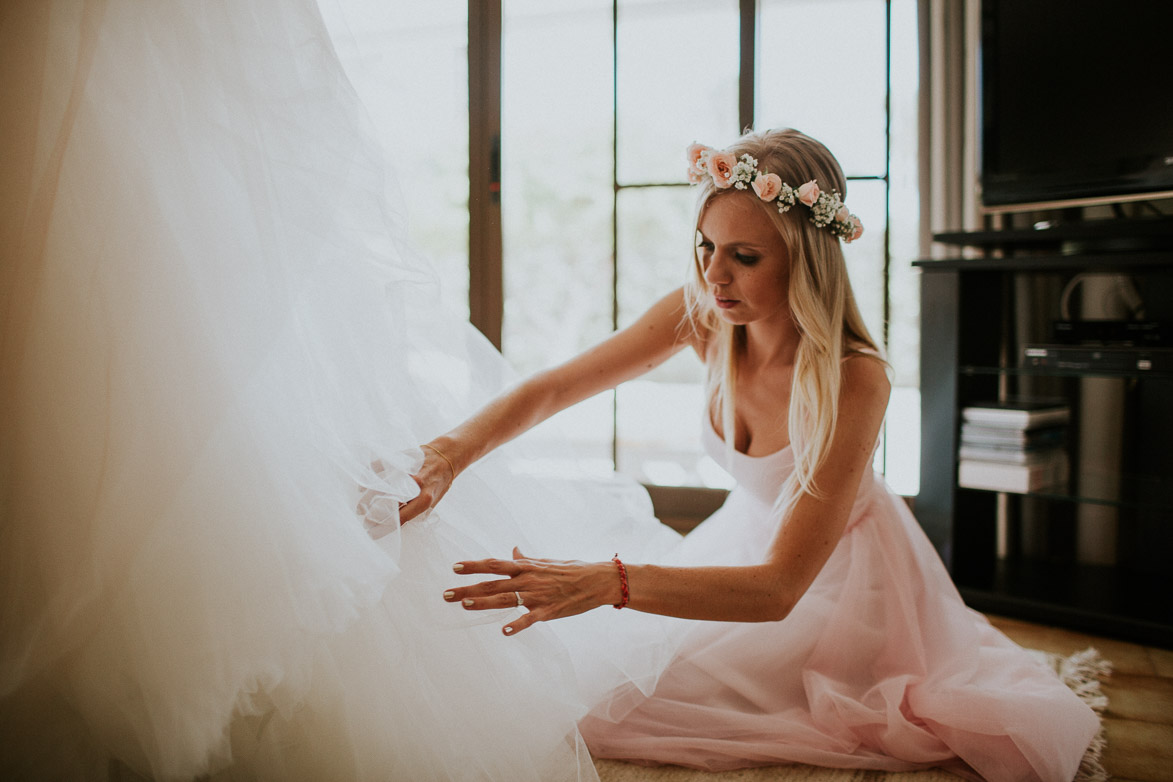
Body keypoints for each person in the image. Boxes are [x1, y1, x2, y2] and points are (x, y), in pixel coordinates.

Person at [401, 130, 1104, 781]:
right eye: (705, 246)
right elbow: (554, 387)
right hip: (745, 539)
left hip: (838, 579)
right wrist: (448, 452)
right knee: (584, 679)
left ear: (806, 255)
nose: (714, 275)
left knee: (623, 705)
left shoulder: (855, 376)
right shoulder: (702, 316)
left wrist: (604, 582)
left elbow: (776, 591)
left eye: (744, 256)